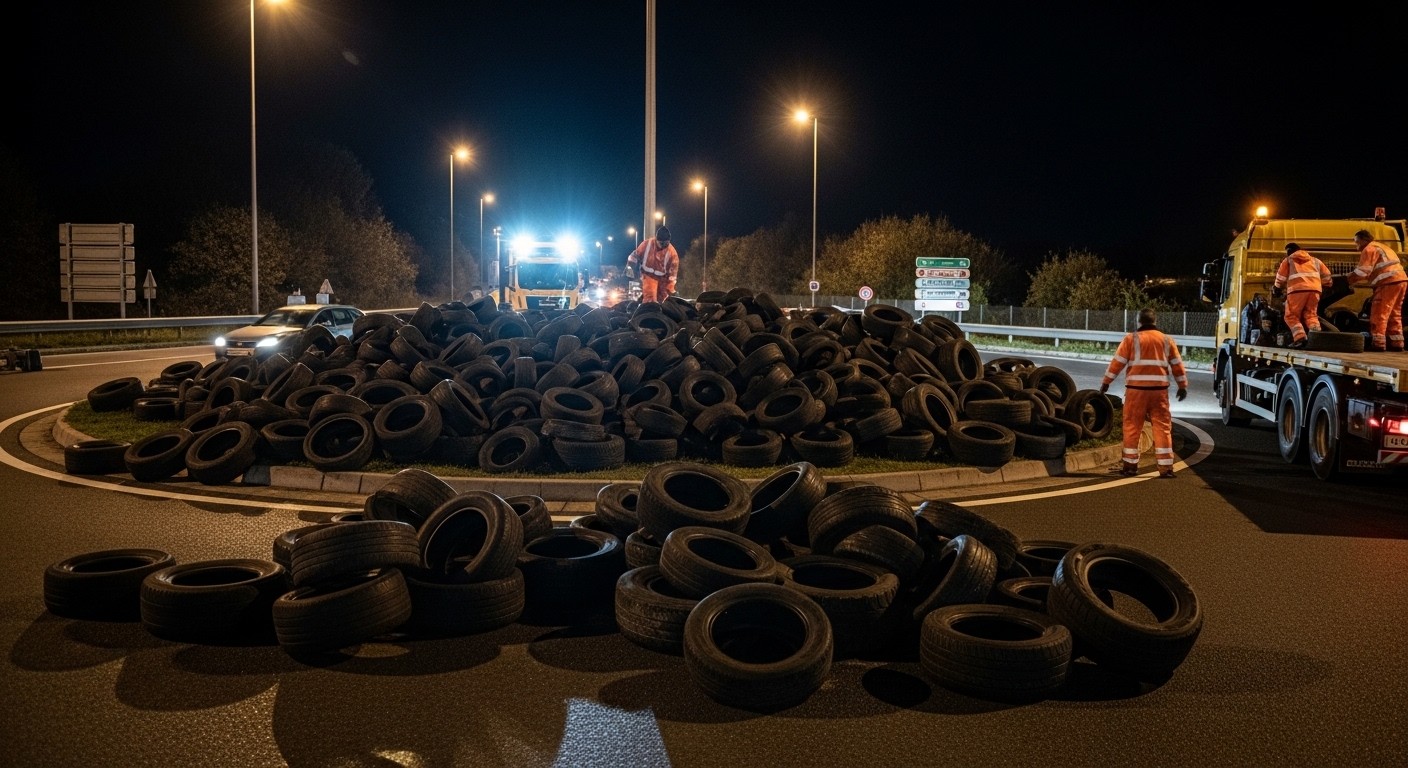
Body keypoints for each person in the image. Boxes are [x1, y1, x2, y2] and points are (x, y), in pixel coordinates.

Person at [1099, 308, 1188, 478]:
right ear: (1155, 322)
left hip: (1136, 392)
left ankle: (1130, 467)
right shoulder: (1166, 340)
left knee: (1132, 427)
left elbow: (1117, 363)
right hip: (1159, 393)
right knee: (1162, 428)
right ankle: (1166, 468)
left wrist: (1106, 383)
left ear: (1139, 322)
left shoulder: (1131, 339)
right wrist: (1182, 386)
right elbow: (1177, 364)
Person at [1349, 229, 1407, 352]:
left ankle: (1378, 343)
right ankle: (1397, 343)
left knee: (1379, 312)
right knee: (1394, 313)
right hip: (1401, 281)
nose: (1356, 246)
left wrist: (1348, 279)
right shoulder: (1383, 247)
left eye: (1356, 242)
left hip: (1387, 282)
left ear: (1364, 239)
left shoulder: (1369, 249)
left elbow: (1363, 271)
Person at [1272, 242, 1332, 349]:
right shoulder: (1315, 261)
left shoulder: (1289, 260)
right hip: (1315, 291)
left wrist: (1276, 288)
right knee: (1311, 315)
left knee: (1291, 316)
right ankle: (1316, 339)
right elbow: (1327, 275)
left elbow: (1280, 277)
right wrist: (1323, 284)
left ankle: (1300, 338)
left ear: (1289, 252)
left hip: (1297, 291)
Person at [624, 226, 680, 304]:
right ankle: (649, 310)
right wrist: (630, 268)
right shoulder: (647, 244)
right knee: (650, 299)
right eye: (661, 243)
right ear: (656, 239)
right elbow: (634, 256)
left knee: (664, 301)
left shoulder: (672, 254)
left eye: (666, 243)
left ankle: (659, 312)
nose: (664, 245)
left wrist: (670, 289)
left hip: (663, 279)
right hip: (648, 276)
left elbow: (672, 275)